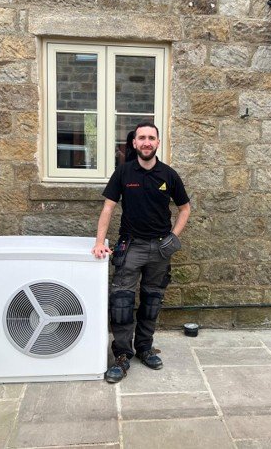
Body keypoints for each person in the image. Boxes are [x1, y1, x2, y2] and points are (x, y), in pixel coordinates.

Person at [92, 122, 191, 383]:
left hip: (160, 249)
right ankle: (122, 355)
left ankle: (145, 348)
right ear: (134, 143)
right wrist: (99, 241)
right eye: (142, 138)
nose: (147, 142)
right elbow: (108, 207)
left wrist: (173, 237)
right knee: (121, 303)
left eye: (151, 138)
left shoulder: (169, 175)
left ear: (158, 142)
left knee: (152, 301)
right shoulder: (124, 172)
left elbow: (185, 209)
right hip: (131, 246)